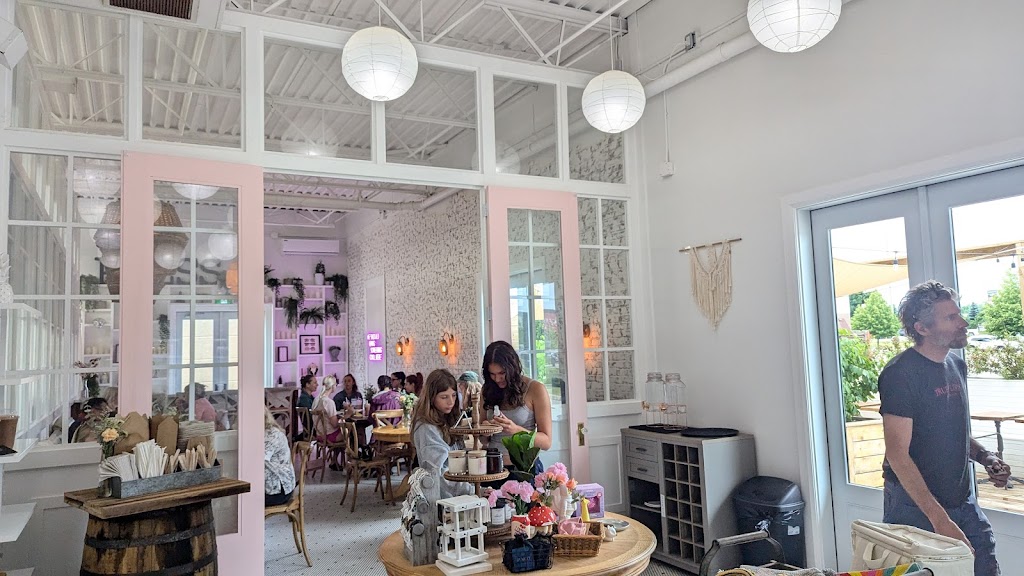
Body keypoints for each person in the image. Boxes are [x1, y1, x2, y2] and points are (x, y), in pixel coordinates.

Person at [880, 280, 1009, 576]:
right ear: (922, 328)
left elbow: (951, 430)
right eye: (951, 317)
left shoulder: (956, 365)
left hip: (962, 499)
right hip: (914, 506)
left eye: (958, 313)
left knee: (984, 565)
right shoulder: (900, 374)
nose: (963, 322)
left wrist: (985, 456)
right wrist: (940, 520)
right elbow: (897, 455)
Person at [482, 341, 552, 473]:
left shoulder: (535, 389)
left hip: (524, 470)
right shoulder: (487, 390)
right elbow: (482, 440)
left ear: (512, 368)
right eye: (492, 374)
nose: (497, 379)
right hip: (492, 469)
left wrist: (516, 430)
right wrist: (485, 430)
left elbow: (546, 442)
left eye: (502, 373)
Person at [411, 369, 473, 500]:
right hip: (441, 497)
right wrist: (470, 490)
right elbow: (439, 471)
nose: (451, 401)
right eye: (444, 397)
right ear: (431, 397)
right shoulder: (426, 427)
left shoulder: (448, 418)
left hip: (456, 492)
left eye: (454, 395)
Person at [264, 405, 295, 507]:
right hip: (269, 486)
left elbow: (257, 460)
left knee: (242, 499)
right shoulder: (260, 433)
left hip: (278, 490)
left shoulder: (272, 434)